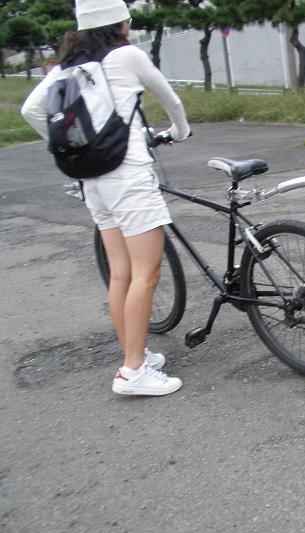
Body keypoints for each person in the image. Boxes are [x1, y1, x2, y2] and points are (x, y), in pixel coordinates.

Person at [21, 0, 190, 396]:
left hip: (91, 179)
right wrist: (180, 132)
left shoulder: (68, 67)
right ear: (120, 22)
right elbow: (173, 101)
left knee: (121, 273)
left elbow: (31, 109)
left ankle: (136, 355)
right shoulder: (127, 55)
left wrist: (66, 147)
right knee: (146, 273)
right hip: (127, 176)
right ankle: (133, 371)